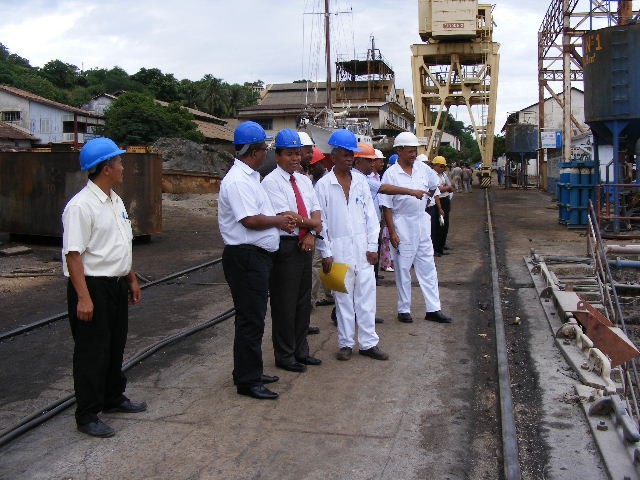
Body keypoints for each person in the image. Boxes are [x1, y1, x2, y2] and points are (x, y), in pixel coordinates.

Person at [62, 137, 146, 438]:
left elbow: (120, 244)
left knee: (115, 345)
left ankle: (112, 397)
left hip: (116, 284)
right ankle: (87, 414)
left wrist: (131, 278)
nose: (123, 167)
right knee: (92, 352)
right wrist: (83, 299)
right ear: (106, 168)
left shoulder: (115, 200)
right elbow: (73, 255)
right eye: (119, 162)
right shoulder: (81, 207)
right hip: (92, 287)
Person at [218, 121, 296, 400]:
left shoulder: (250, 177)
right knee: (250, 320)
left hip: (255, 257)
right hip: (246, 257)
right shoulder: (238, 181)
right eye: (265, 148)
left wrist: (277, 222)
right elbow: (249, 220)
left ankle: (249, 370)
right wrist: (279, 220)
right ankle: (248, 381)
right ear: (255, 151)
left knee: (253, 318)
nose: (267, 153)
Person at [315, 129, 388, 361]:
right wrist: (325, 252)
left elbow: (371, 217)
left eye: (351, 154)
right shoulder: (324, 185)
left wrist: (372, 247)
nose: (349, 158)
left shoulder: (361, 182)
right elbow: (321, 223)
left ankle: (368, 343)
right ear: (333, 155)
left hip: (363, 249)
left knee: (366, 297)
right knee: (343, 298)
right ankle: (346, 343)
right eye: (345, 154)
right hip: (338, 250)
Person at [261, 129, 323, 372]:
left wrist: (310, 232)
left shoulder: (305, 181)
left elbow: (314, 212)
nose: (296, 158)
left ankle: (301, 350)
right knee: (284, 303)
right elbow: (287, 217)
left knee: (302, 301)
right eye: (290, 154)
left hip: (305, 244)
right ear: (277, 156)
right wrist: (312, 225)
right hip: (285, 248)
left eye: (298, 154)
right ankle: (285, 355)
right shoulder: (271, 182)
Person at [379, 132, 452, 324]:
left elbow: (435, 186)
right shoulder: (391, 174)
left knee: (428, 266)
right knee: (403, 268)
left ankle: (433, 308)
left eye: (415, 151)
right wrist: (392, 231)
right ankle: (404, 309)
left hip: (421, 221)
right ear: (399, 151)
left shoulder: (422, 169)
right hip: (401, 223)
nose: (413, 154)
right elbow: (386, 206)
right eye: (410, 151)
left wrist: (430, 199)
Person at [428, 156, 454, 256]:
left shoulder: (442, 174)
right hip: (439, 201)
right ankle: (437, 248)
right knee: (438, 226)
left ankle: (441, 246)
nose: (443, 168)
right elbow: (437, 191)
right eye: (441, 166)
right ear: (435, 165)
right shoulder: (433, 176)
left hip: (445, 199)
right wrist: (448, 188)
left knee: (445, 225)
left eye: (444, 167)